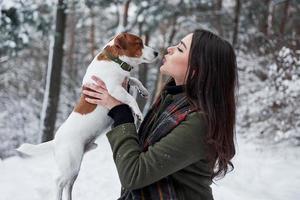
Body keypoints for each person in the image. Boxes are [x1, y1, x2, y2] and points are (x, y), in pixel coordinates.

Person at [82, 29, 238, 200]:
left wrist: (120, 112)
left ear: (197, 69)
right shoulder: (172, 101)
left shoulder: (199, 121)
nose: (170, 48)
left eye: (180, 49)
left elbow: (134, 174)